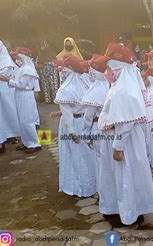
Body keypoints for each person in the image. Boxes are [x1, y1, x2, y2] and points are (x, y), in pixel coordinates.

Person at [96, 43, 153, 227]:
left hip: (124, 140)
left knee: (126, 176)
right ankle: (119, 208)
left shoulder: (125, 89)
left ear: (117, 67)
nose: (107, 70)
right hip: (121, 138)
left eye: (109, 67)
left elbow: (127, 120)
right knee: (121, 175)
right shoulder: (120, 85)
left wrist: (118, 146)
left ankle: (129, 212)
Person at [54, 55, 96, 197]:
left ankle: (77, 185)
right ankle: (91, 184)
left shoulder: (65, 89)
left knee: (74, 156)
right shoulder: (87, 83)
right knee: (87, 155)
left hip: (72, 125)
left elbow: (67, 114)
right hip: (85, 123)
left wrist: (71, 131)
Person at [7, 47, 42, 153]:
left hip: (25, 95)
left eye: (17, 57)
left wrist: (8, 80)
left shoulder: (28, 69)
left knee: (28, 121)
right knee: (22, 121)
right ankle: (27, 142)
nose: (16, 59)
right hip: (20, 95)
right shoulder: (22, 68)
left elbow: (21, 85)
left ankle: (35, 144)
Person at [0, 39, 21, 142]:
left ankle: (15, 134)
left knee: (9, 110)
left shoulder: (6, 60)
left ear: (0, 49)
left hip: (5, 89)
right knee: (1, 112)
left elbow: (3, 75)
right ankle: (6, 134)